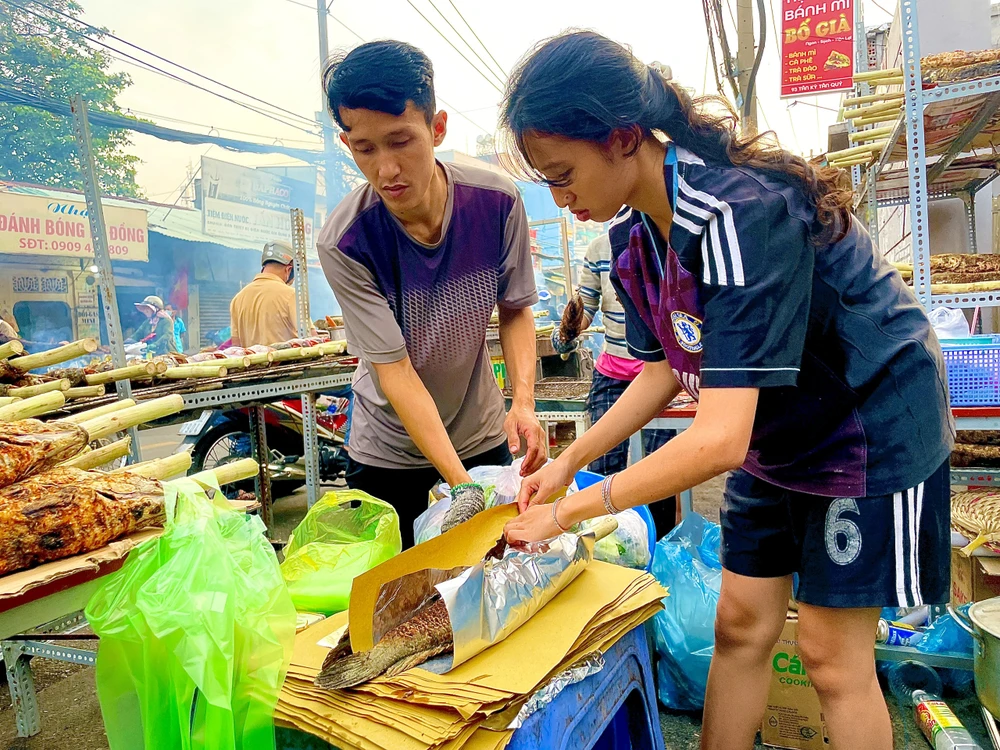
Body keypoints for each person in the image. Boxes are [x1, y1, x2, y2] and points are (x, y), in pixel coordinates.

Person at [499, 32, 953, 750]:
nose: (562, 197)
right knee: (740, 625)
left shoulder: (737, 212)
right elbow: (660, 372)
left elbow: (718, 438)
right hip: (779, 431)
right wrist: (566, 463)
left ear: (622, 139)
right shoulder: (634, 243)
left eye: (563, 173)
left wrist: (573, 512)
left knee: (832, 659)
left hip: (867, 425)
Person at [317, 40, 546, 548]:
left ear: (437, 128)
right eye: (365, 149)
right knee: (403, 607)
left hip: (481, 438)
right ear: (346, 142)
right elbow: (394, 370)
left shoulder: (497, 202)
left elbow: (514, 309)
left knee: (498, 586)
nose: (386, 170)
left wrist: (523, 403)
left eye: (401, 141)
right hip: (388, 455)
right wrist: (461, 486)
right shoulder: (346, 241)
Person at [552, 233, 678, 538]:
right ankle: (611, 543)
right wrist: (567, 331)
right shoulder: (599, 250)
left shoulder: (668, 241)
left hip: (661, 374)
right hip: (613, 375)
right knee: (603, 469)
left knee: (659, 471)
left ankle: (658, 544)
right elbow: (586, 309)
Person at [230, 241, 298, 348]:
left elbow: (236, 345)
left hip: (251, 364)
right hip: (287, 364)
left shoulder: (238, 298)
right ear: (289, 270)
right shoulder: (290, 294)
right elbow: (310, 339)